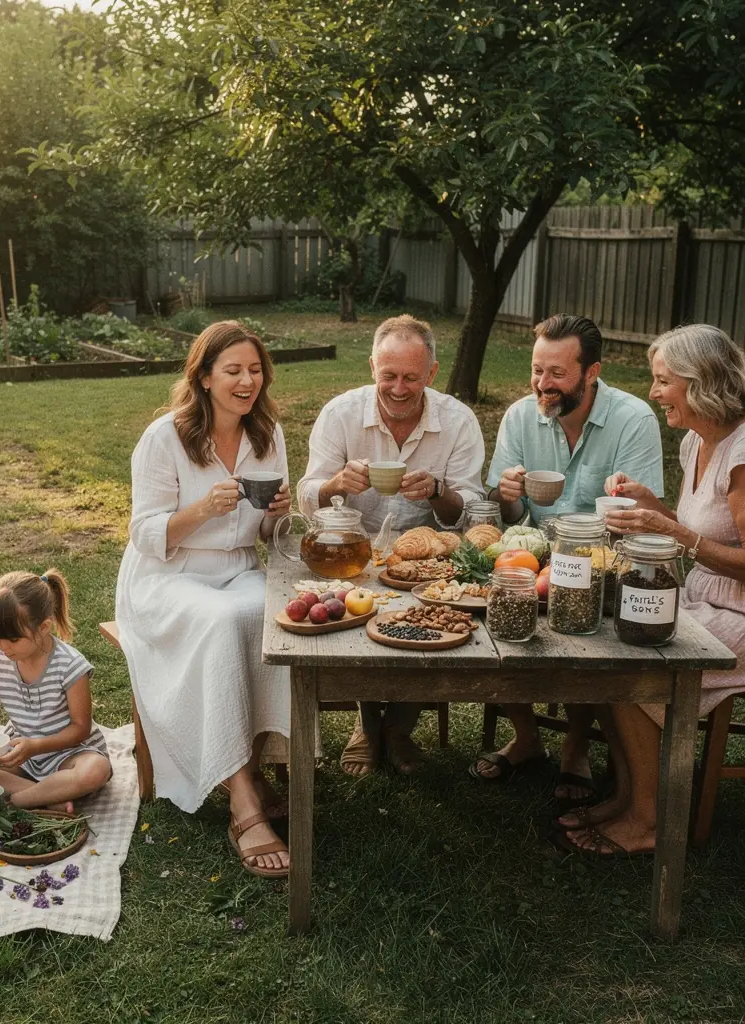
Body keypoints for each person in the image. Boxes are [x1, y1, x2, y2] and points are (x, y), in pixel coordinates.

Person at [557, 324, 745, 855]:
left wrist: (672, 533)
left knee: (632, 659)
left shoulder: (741, 453)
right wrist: (652, 506)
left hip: (738, 612)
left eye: (663, 381)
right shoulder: (696, 441)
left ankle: (650, 821)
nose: (653, 392)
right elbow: (698, 531)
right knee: (612, 640)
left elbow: (715, 549)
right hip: (701, 596)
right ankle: (628, 797)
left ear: (701, 382)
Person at [115, 320, 292, 878]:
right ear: (205, 376)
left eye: (254, 370)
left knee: (270, 615)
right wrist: (203, 511)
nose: (246, 381)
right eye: (233, 370)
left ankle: (258, 761)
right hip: (167, 576)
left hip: (238, 567)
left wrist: (276, 517)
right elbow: (145, 534)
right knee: (220, 620)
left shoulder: (269, 436)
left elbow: (263, 540)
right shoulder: (165, 437)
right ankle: (242, 799)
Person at [471, 314, 664, 807]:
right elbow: (507, 511)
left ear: (592, 371)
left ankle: (576, 746)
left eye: (556, 373)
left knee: (583, 620)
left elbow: (641, 514)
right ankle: (528, 736)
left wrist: (624, 501)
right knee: (498, 611)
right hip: (532, 552)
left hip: (606, 557)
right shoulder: (520, 415)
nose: (542, 384)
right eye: (537, 370)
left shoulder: (634, 417)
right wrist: (509, 493)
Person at [298, 314, 485, 777]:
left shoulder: (458, 421)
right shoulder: (340, 414)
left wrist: (439, 490)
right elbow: (306, 496)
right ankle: (367, 724)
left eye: (411, 378)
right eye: (389, 376)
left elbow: (473, 508)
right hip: (351, 553)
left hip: (429, 560)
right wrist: (335, 483)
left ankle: (399, 726)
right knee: (356, 608)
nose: (399, 388)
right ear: (372, 368)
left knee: (437, 620)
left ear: (432, 374)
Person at [0, 570, 112, 809]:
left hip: (68, 753)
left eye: (12, 640)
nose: (2, 647)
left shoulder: (70, 666)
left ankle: (20, 799)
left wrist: (36, 746)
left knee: (95, 771)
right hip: (20, 755)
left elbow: (81, 729)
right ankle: (47, 796)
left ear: (44, 627)